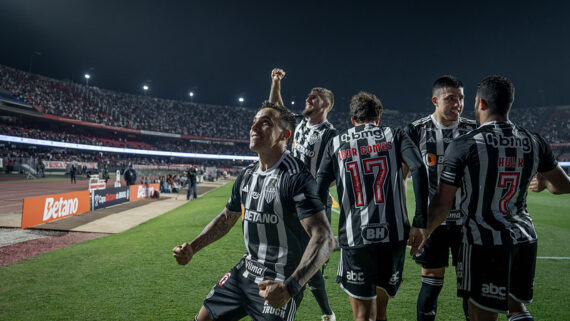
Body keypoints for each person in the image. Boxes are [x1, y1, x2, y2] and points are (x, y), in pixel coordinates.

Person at [173, 101, 335, 321]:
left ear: (284, 134)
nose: (254, 127)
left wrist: (290, 288)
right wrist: (193, 247)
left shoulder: (296, 177)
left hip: (279, 281)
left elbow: (325, 238)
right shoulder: (247, 175)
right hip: (245, 271)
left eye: (265, 122)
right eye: (254, 121)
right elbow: (225, 220)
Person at [426, 75, 570, 321]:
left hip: (484, 242)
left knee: (481, 313)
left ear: (481, 104)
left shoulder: (465, 144)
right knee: (516, 308)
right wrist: (544, 183)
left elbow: (442, 204)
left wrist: (423, 231)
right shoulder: (534, 140)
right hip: (524, 239)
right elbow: (564, 186)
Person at [316, 91, 429, 321]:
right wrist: (420, 222)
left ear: (352, 119)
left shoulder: (336, 142)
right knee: (381, 314)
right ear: (379, 117)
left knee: (363, 316)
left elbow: (318, 189)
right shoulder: (394, 135)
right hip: (393, 237)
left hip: (356, 238)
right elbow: (418, 169)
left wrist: (318, 231)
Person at [403, 76, 476, 321]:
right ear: (435, 100)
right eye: (451, 98)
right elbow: (400, 176)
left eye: (461, 98)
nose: (458, 104)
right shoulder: (416, 130)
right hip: (432, 224)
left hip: (467, 223)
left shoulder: (473, 130)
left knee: (471, 288)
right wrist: (407, 218)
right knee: (431, 283)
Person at [269, 67, 338, 321]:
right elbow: (276, 107)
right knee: (288, 256)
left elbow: (333, 174)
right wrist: (275, 81)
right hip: (289, 202)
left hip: (312, 205)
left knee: (310, 261)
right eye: (308, 95)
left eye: (315, 97)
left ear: (326, 104)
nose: (308, 98)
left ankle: (326, 313)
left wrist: (313, 192)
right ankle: (323, 312)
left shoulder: (331, 135)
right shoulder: (299, 124)